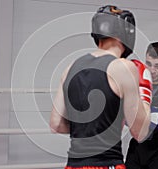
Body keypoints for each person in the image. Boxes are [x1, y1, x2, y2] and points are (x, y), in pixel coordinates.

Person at [50, 5, 151, 169]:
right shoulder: (123, 67)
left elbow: (56, 124)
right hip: (107, 164)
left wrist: (87, 131)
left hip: (73, 165)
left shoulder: (71, 67)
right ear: (123, 34)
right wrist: (145, 96)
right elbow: (140, 132)